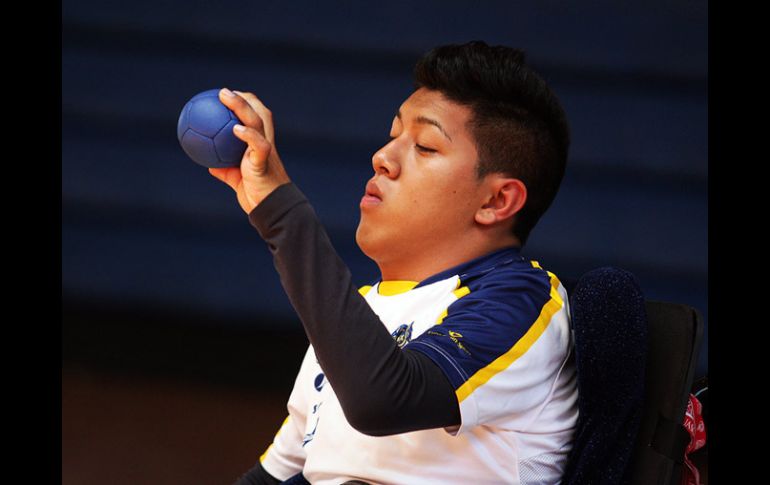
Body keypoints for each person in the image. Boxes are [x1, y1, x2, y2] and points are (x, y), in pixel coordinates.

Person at [209, 40, 578, 485]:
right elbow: (271, 478)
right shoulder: (357, 316)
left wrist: (280, 211)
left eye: (424, 146)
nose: (382, 158)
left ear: (497, 200)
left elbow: (383, 400)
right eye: (392, 136)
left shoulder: (523, 299)